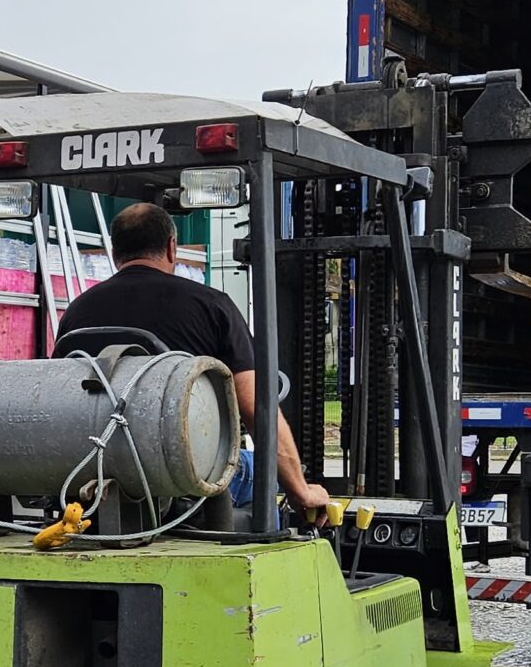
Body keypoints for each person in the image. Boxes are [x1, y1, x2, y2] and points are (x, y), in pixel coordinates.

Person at [55, 203, 330, 517]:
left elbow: (59, 399)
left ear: (115, 253)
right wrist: (300, 490)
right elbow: (257, 407)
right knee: (263, 473)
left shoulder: (76, 313)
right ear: (172, 247)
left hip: (97, 470)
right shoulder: (212, 306)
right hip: (183, 475)